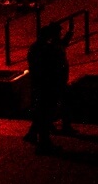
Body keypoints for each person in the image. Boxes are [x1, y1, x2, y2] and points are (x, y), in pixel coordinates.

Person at [24, 22, 71, 152]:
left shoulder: (39, 47)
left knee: (42, 111)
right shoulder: (44, 49)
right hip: (46, 84)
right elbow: (52, 63)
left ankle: (35, 135)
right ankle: (43, 143)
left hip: (43, 84)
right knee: (45, 112)